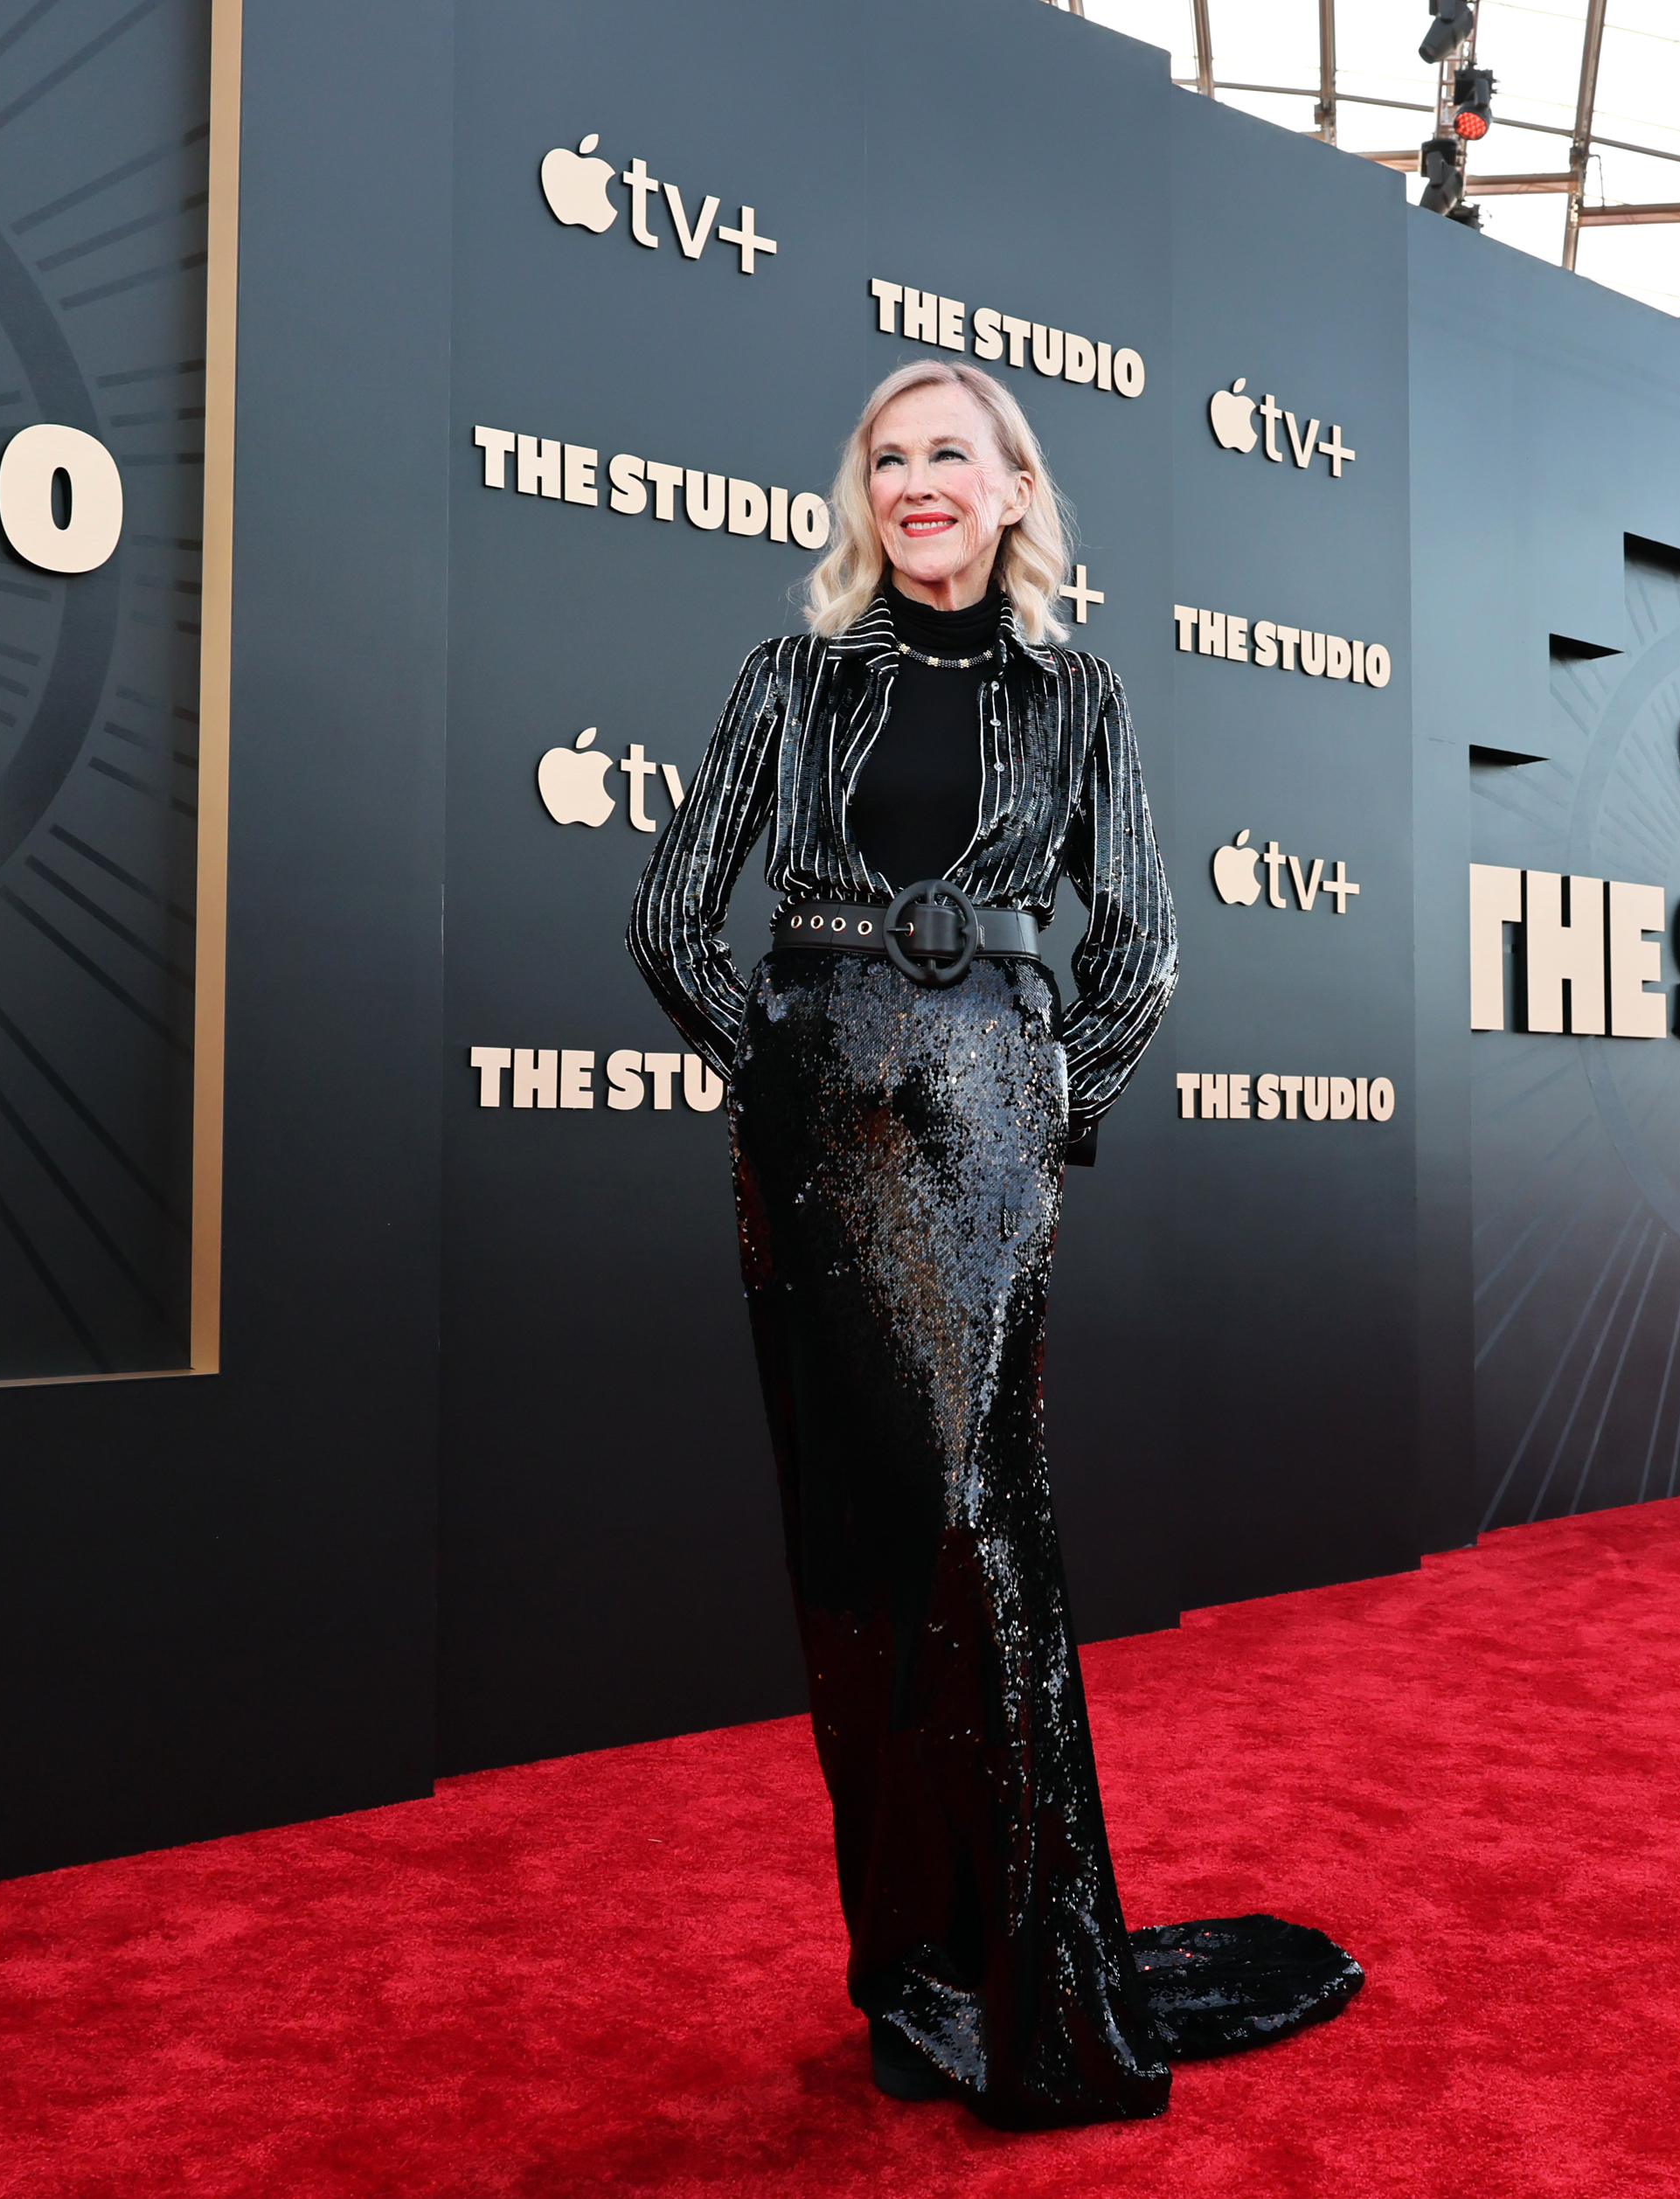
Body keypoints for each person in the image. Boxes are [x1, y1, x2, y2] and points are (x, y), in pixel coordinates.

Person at [627, 360, 1360, 2128]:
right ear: (861, 498)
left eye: (949, 453)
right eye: (886, 459)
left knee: (975, 1522)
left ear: (1016, 490)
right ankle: (915, 1968)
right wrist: (789, 1072)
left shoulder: (1078, 696)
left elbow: (1145, 946)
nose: (915, 481)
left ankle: (1029, 1970)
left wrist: (1042, 1097)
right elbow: (668, 915)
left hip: (986, 1125)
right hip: (823, 1127)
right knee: (869, 1549)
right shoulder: (789, 681)